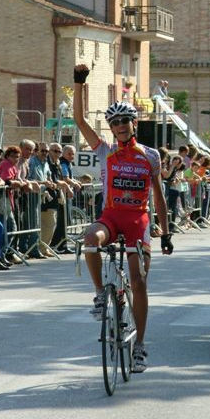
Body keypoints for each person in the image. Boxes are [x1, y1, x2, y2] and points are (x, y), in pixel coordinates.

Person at [73, 64, 173, 373]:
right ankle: (101, 295)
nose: (119, 126)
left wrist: (166, 232)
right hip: (111, 218)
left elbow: (159, 197)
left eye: (124, 122)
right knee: (90, 240)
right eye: (114, 123)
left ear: (134, 124)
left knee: (139, 281)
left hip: (138, 222)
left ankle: (140, 345)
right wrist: (79, 83)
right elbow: (78, 120)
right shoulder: (104, 151)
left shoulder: (150, 155)